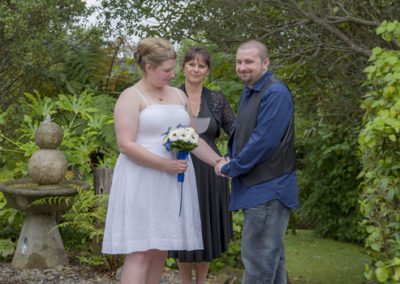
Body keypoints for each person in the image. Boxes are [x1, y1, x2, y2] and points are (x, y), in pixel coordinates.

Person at [102, 37, 223, 284]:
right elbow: (126, 144)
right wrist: (164, 165)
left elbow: (193, 138)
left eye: (172, 69)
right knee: (141, 250)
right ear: (149, 67)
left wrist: (218, 162)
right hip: (142, 179)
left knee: (160, 249)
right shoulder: (130, 96)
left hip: (172, 183)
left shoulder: (178, 96)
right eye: (167, 70)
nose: (172, 74)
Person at [215, 40, 299, 284]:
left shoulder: (275, 92)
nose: (242, 67)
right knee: (271, 264)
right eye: (239, 62)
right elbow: (242, 132)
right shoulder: (249, 92)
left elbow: (264, 141)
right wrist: (230, 155)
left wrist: (231, 167)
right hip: (259, 189)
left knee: (259, 263)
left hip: (269, 189)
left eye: (249, 62)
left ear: (265, 63)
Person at [168, 46, 235, 284]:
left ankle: (201, 281)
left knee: (206, 226)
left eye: (201, 65)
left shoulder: (217, 99)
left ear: (207, 70)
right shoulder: (170, 96)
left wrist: (231, 159)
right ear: (183, 67)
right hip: (179, 169)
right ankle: (186, 281)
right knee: (183, 227)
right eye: (191, 64)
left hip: (210, 172)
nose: (196, 69)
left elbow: (235, 131)